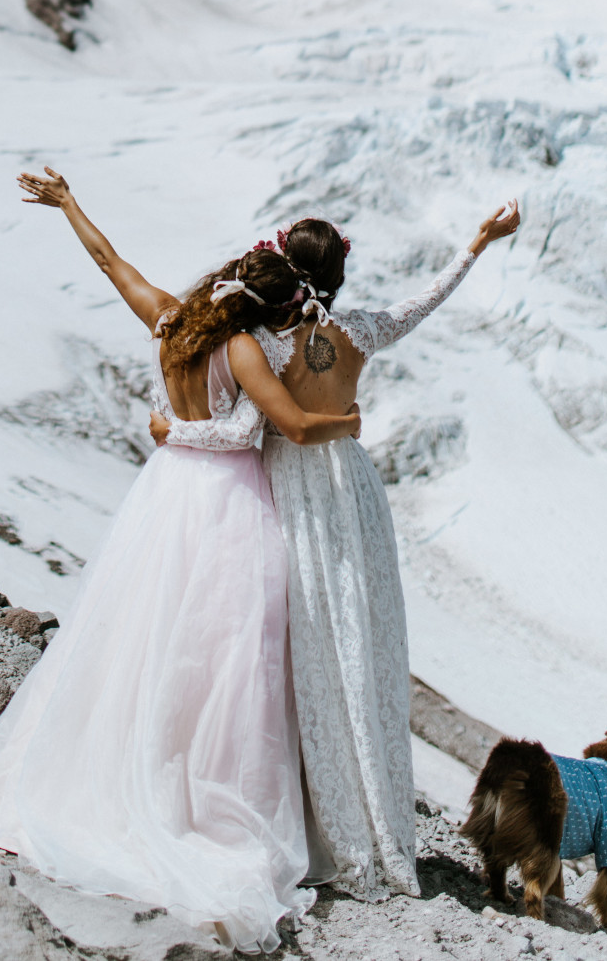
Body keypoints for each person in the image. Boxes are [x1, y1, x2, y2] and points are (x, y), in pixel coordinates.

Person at [0, 168, 363, 955]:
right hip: (229, 508)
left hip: (164, 498)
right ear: (268, 306)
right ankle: (201, 798)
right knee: (228, 660)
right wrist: (347, 420)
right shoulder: (241, 352)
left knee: (142, 632)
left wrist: (69, 203)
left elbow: (114, 267)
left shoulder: (172, 322)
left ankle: (123, 766)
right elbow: (288, 431)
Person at [156, 201, 520, 902]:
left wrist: (168, 430)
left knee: (298, 650)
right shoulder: (361, 331)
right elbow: (428, 299)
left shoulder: (259, 343)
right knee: (361, 645)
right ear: (340, 273)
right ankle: (373, 829)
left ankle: (298, 816)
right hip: (353, 490)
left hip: (291, 495)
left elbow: (236, 432)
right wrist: (477, 240)